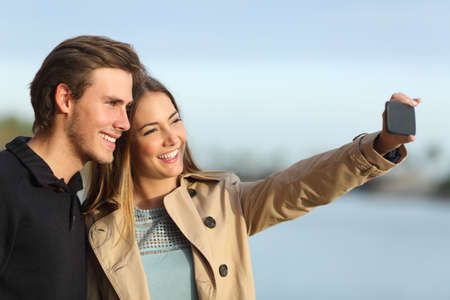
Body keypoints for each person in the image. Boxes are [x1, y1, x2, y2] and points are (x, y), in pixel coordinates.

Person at [83, 75, 421, 300]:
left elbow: (302, 185)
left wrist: (379, 145)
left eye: (175, 120)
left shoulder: (223, 201)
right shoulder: (90, 226)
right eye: (151, 130)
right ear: (123, 143)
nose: (173, 137)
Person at [0, 35, 144, 299]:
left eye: (127, 108)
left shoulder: (71, 197)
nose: (124, 123)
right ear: (65, 98)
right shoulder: (5, 183)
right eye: (112, 103)